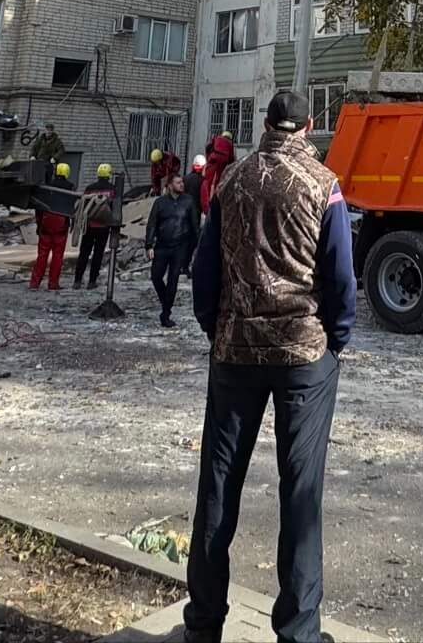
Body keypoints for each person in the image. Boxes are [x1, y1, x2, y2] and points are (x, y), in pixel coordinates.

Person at [186, 89, 354, 643]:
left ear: (265, 123)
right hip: (303, 355)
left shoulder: (231, 179)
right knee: (301, 492)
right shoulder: (323, 186)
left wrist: (217, 330)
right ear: (309, 124)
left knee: (217, 487)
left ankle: (203, 625)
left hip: (234, 353)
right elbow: (340, 279)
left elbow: (204, 270)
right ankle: (299, 633)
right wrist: (335, 343)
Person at [146, 172, 197, 327]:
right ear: (169, 186)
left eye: (182, 182)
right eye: (177, 182)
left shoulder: (188, 201)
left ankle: (166, 313)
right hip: (162, 245)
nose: (181, 184)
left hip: (180, 246)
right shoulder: (160, 203)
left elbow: (194, 225)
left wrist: (195, 248)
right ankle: (165, 300)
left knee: (173, 279)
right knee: (156, 277)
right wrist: (149, 245)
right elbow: (152, 224)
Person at [30, 161, 75, 291]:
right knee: (57, 255)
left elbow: (39, 207)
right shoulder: (70, 187)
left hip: (46, 221)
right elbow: (72, 207)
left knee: (42, 255)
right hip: (61, 223)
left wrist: (39, 224)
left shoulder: (48, 187)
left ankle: (34, 283)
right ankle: (53, 284)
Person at [76, 163, 117, 290]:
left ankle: (77, 280)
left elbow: (83, 205)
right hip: (103, 227)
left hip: (88, 226)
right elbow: (115, 208)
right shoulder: (112, 189)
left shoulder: (90, 188)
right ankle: (92, 281)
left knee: (84, 253)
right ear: (109, 175)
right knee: (98, 254)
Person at [199, 130, 236, 214]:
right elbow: (232, 159)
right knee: (218, 182)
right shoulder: (230, 144)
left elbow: (208, 147)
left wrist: (209, 158)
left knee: (207, 182)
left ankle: (207, 207)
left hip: (213, 160)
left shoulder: (216, 139)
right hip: (223, 163)